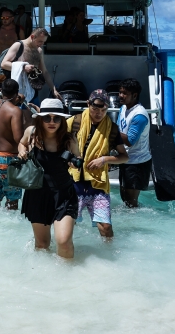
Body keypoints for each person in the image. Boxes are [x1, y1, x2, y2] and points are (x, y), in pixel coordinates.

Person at [17, 98, 79, 259]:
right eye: (47, 117)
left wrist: (74, 163)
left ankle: (70, 279)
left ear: (62, 120)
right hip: (37, 194)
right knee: (42, 245)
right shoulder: (31, 133)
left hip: (64, 195)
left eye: (56, 118)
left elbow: (79, 160)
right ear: (40, 118)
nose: (52, 122)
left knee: (64, 241)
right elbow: (21, 143)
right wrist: (22, 151)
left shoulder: (69, 139)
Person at [67, 89, 128, 238]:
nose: (99, 113)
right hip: (73, 183)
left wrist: (105, 159)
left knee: (106, 227)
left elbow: (124, 157)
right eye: (95, 108)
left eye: (103, 109)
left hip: (97, 185)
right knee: (68, 225)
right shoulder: (74, 122)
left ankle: (110, 257)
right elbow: (57, 146)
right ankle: (67, 256)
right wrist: (69, 160)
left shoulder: (112, 129)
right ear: (88, 104)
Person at [0, 79, 25, 210]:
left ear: (1, 90)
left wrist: (16, 101)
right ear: (17, 92)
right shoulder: (15, 111)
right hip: (7, 160)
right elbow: (18, 138)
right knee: (12, 200)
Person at [0, 28, 62, 105]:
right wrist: (23, 67)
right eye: (40, 41)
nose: (42, 44)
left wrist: (53, 89)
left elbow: (44, 72)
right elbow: (4, 64)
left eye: (43, 42)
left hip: (33, 90)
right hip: (17, 91)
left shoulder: (39, 51)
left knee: (34, 115)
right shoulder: (18, 45)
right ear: (32, 37)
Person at [117, 78, 153, 207]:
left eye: (124, 93)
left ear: (135, 95)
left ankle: (136, 225)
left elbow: (130, 141)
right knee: (123, 197)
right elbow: (119, 129)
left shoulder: (140, 115)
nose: (121, 95)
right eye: (120, 92)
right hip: (125, 159)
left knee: (131, 202)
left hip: (138, 162)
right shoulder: (123, 108)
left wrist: (109, 129)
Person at [0, 7, 26, 75]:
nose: (4, 20)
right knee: (0, 82)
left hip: (13, 61)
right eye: (2, 18)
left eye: (6, 18)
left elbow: (24, 48)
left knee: (12, 83)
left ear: (12, 18)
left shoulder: (19, 31)